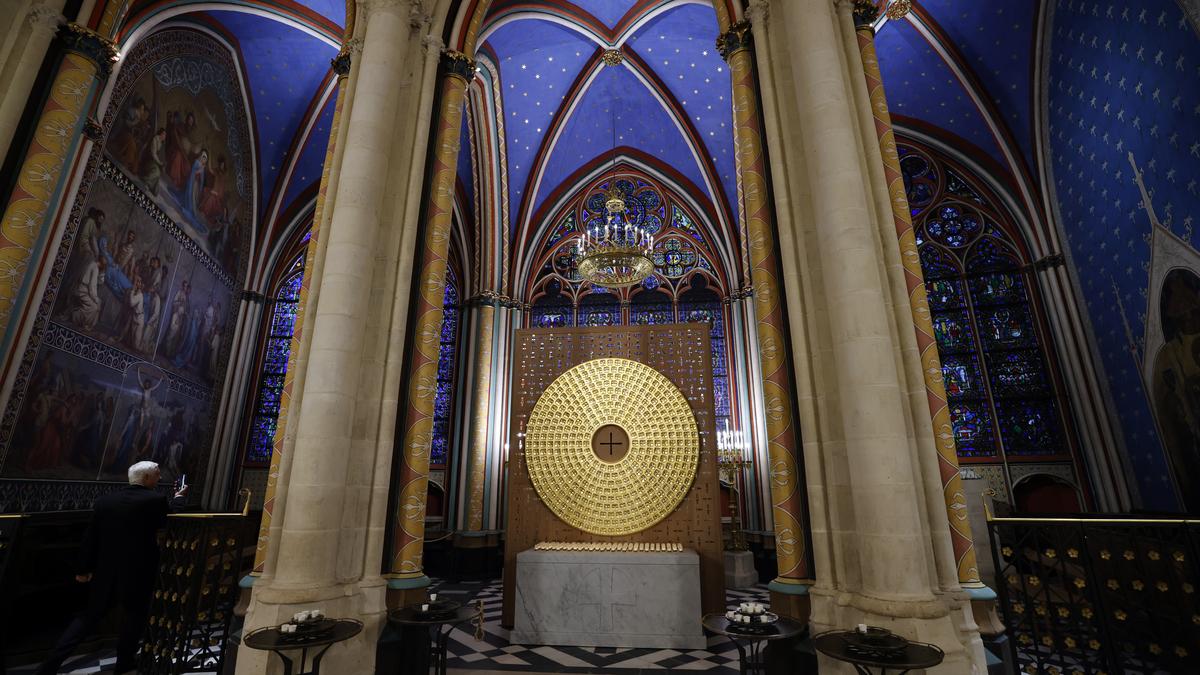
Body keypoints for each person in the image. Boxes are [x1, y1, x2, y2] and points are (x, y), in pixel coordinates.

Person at [36, 461, 186, 675]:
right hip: (138, 572)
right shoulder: (155, 500)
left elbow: (91, 537)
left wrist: (83, 568)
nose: (160, 479)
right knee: (133, 618)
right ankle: (124, 663)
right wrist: (179, 498)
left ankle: (49, 664)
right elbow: (171, 519)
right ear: (146, 479)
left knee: (88, 618)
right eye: (157, 475)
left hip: (105, 572)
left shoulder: (105, 501)